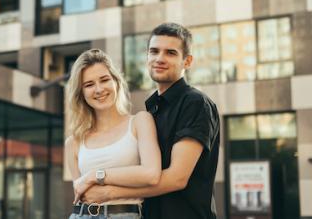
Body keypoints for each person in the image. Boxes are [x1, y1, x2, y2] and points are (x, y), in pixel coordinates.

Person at [80, 23, 220, 219]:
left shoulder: (195, 103)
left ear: (187, 61)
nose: (159, 59)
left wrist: (108, 192)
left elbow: (177, 178)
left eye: (170, 53)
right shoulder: (153, 109)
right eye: (154, 51)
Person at [65, 49, 162, 219]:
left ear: (116, 82)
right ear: (81, 93)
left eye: (104, 80)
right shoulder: (73, 142)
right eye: (89, 85)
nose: (99, 89)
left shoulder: (140, 122)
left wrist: (95, 175)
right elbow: (82, 193)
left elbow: (151, 174)